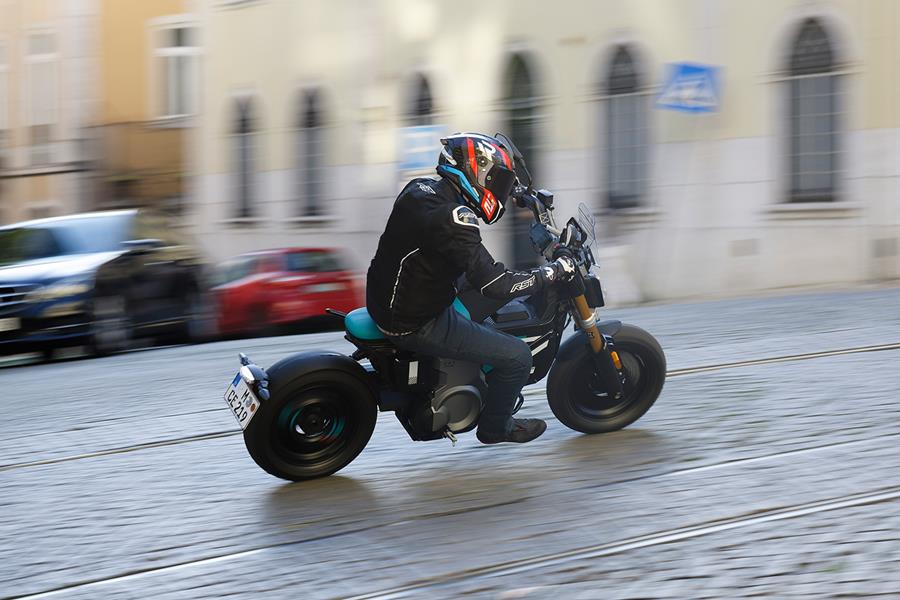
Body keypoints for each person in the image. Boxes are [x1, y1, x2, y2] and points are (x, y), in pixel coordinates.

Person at [366, 133, 575, 444]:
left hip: (392, 295)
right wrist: (552, 272)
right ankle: (496, 427)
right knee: (517, 357)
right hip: (414, 320)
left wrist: (517, 191)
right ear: (476, 173)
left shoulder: (419, 189)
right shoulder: (455, 219)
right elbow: (495, 283)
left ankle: (477, 369)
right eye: (497, 181)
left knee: (482, 289)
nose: (499, 191)